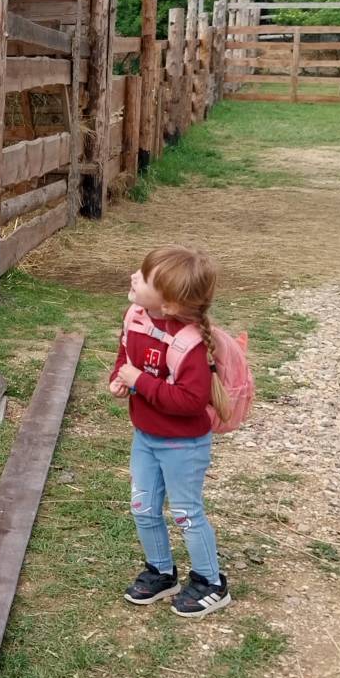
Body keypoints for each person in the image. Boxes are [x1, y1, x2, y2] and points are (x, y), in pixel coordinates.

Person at [110, 244, 233, 618]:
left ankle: (211, 582)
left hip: (183, 446)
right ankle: (161, 572)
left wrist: (139, 382)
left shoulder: (190, 344)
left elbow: (191, 402)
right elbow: (126, 356)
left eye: (145, 277)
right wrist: (120, 378)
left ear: (170, 305)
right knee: (143, 507)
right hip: (146, 437)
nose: (134, 276)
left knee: (186, 513)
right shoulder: (136, 317)